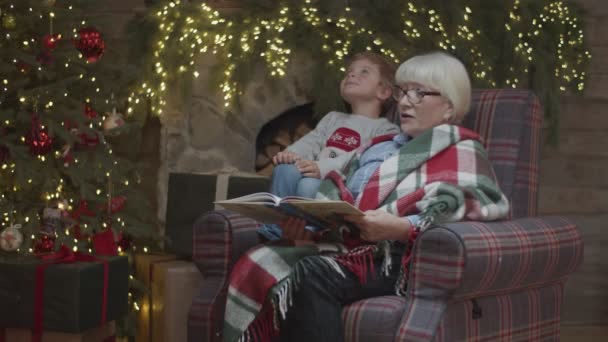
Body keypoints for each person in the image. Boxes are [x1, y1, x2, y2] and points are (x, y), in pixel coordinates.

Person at [224, 51, 511, 342]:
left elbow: (482, 204)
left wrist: (401, 228)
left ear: (448, 106)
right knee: (261, 258)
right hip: (351, 246)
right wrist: (309, 227)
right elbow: (341, 198)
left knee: (314, 271)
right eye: (403, 91)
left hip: (400, 258)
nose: (405, 101)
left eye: (419, 92)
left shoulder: (462, 150)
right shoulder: (381, 146)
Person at [258, 51, 400, 241]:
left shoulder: (384, 128)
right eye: (349, 71)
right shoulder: (333, 118)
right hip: (313, 173)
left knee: (308, 186)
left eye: (364, 72)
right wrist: (291, 154)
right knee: (285, 170)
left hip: (339, 186)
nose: (351, 74)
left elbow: (359, 156)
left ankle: (314, 234)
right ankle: (274, 232)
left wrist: (321, 168)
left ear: (383, 92)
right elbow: (313, 140)